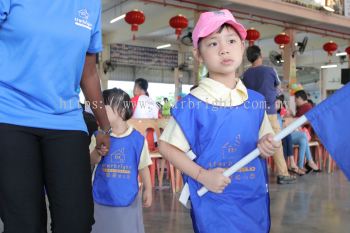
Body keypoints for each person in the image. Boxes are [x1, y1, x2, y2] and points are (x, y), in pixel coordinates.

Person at [159, 9, 280, 233]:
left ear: (242, 47)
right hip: (214, 200)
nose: (224, 49)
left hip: (252, 198)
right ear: (199, 55)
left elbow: (265, 142)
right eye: (213, 44)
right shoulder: (192, 104)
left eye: (232, 41)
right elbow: (166, 146)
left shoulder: (255, 101)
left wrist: (268, 145)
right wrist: (202, 176)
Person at [0, 2, 111, 233]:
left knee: (76, 222)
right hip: (10, 115)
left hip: (66, 119)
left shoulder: (90, 5)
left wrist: (104, 126)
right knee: (24, 224)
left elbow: (88, 72)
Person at [90, 88, 152, 233]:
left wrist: (148, 189)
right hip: (101, 196)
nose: (100, 111)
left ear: (122, 111)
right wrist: (97, 151)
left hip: (128, 198)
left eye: (104, 107)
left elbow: (143, 167)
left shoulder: (138, 140)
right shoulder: (99, 135)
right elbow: (91, 160)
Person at [243, 45, 296, 185]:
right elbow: (277, 88)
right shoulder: (269, 70)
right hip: (270, 112)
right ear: (260, 55)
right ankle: (283, 174)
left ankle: (253, 174)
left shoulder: (246, 74)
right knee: (276, 142)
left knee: (254, 144)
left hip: (252, 114)